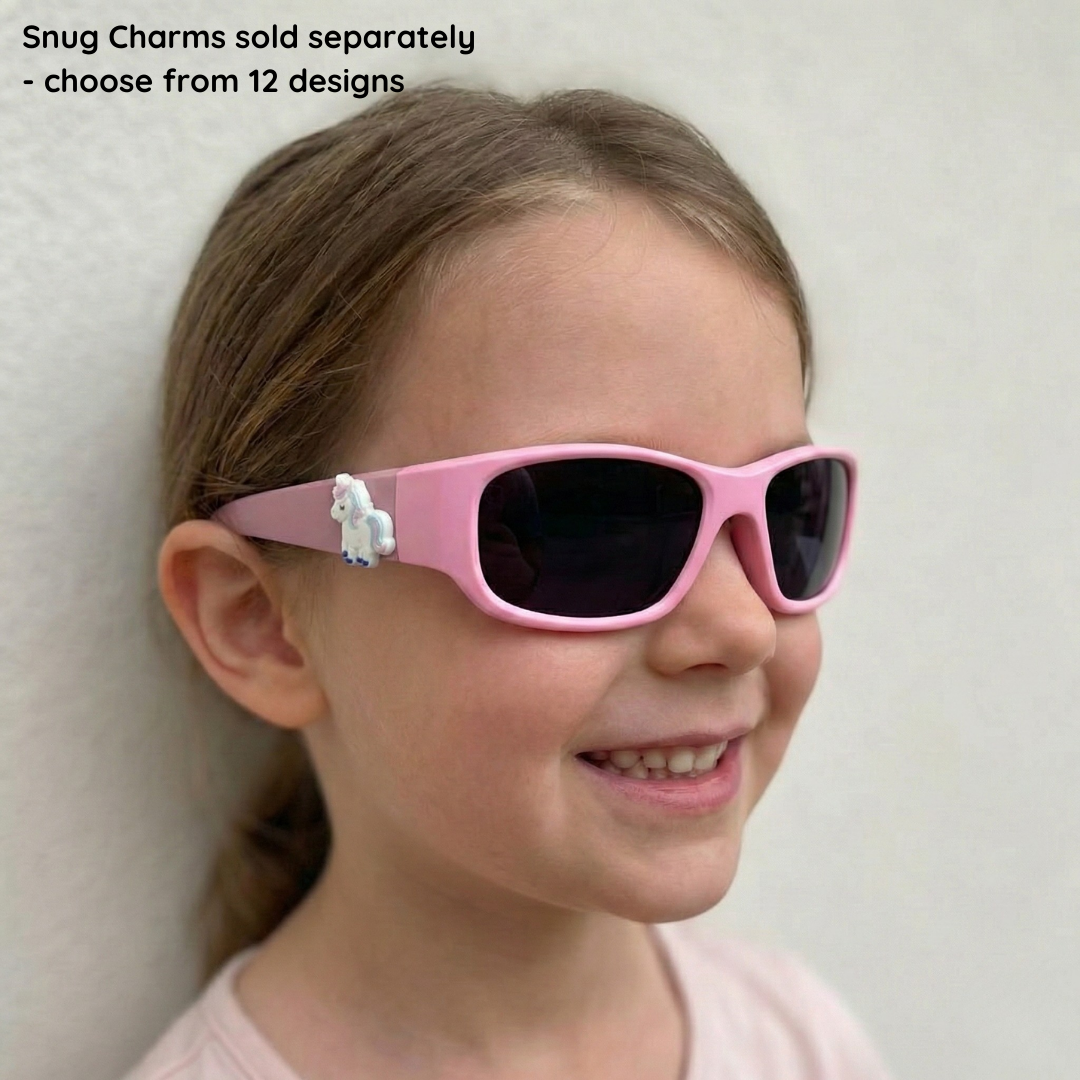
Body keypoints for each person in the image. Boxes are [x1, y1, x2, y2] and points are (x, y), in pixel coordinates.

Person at [124, 83, 892, 1080]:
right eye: (588, 522)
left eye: (790, 509)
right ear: (260, 622)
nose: (742, 624)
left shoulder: (801, 1040)